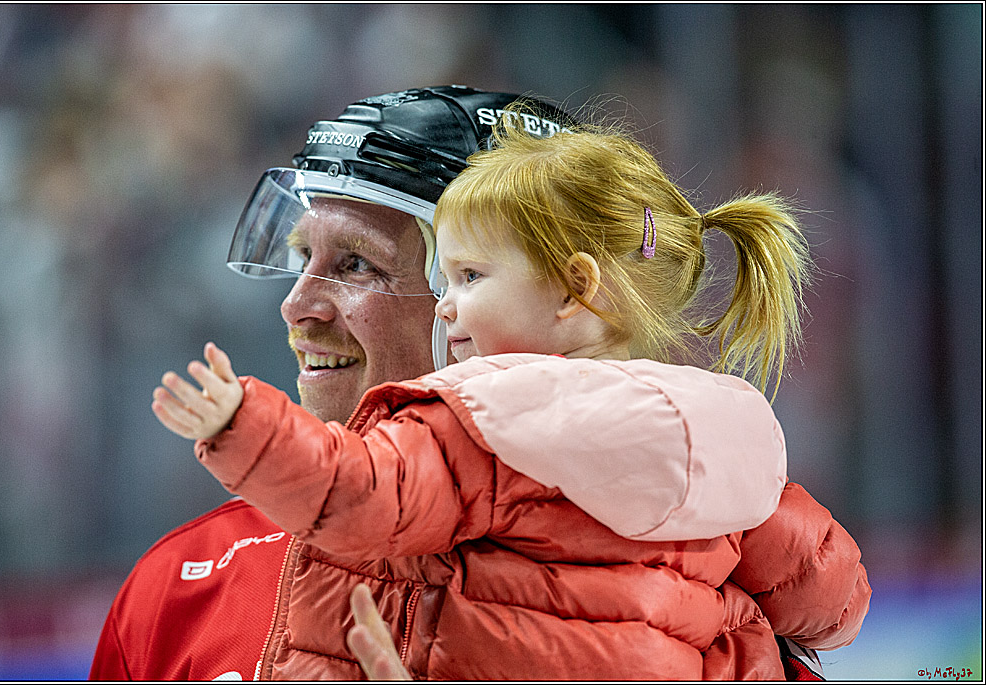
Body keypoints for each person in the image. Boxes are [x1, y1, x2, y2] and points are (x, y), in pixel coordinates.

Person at [143, 105, 869, 680]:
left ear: (569, 289)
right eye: (302, 257)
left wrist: (245, 425)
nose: (296, 304)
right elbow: (828, 586)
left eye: (359, 263)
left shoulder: (470, 427)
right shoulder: (721, 442)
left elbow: (358, 487)